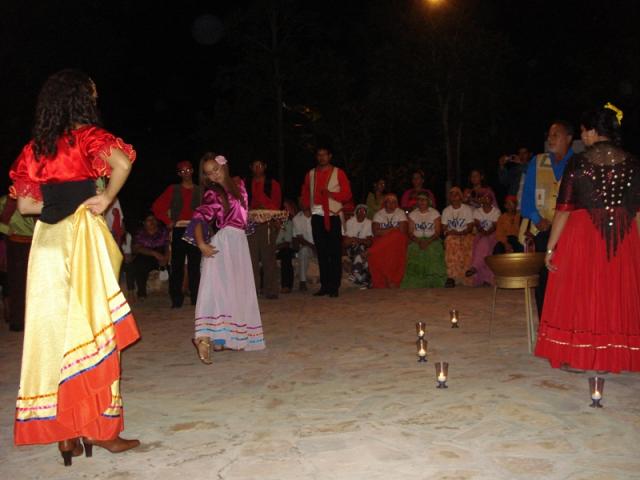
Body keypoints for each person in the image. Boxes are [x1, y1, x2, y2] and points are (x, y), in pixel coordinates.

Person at [9, 70, 140, 463]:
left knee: (54, 333)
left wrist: (55, 203)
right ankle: (100, 430)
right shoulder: (87, 137)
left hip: (47, 243)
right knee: (95, 327)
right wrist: (105, 198)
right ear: (80, 99)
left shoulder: (36, 148)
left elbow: (25, 206)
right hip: (80, 238)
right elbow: (122, 163)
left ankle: (65, 436)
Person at [535, 104, 640, 373]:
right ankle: (608, 357)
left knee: (582, 294)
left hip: (583, 234)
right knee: (612, 294)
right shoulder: (632, 163)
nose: (582, 136)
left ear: (594, 131)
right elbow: (637, 210)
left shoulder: (579, 162)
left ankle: (579, 357)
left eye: (584, 131)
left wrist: (550, 247)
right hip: (622, 234)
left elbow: (564, 209)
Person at [184, 153, 264, 364]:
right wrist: (201, 244)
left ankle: (224, 339)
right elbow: (199, 218)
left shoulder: (240, 186)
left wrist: (252, 217)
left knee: (235, 289)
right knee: (215, 289)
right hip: (224, 243)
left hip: (239, 242)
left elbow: (242, 217)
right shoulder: (213, 193)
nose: (214, 175)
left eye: (216, 170)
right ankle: (203, 336)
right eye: (209, 173)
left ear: (224, 166)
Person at [521, 120, 574, 314]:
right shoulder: (537, 162)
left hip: (569, 230)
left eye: (556, 135)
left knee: (568, 277)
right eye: (549, 135)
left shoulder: (577, 163)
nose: (550, 139)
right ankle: (545, 320)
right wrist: (537, 218)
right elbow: (526, 197)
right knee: (542, 278)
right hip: (541, 229)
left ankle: (566, 317)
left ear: (569, 138)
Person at [300, 144, 352, 297]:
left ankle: (334, 286)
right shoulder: (310, 174)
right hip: (317, 215)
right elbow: (305, 192)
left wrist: (332, 195)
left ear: (330, 156)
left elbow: (347, 194)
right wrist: (305, 205)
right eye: (319, 155)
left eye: (324, 154)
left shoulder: (339, 173)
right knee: (321, 251)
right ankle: (325, 285)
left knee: (335, 252)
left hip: (333, 215)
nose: (321, 157)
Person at [151, 160, 201, 308]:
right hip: (179, 229)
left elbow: (208, 210)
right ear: (179, 174)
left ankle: (196, 299)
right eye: (182, 171)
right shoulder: (173, 189)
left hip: (195, 229)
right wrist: (167, 221)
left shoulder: (200, 190)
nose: (186, 173)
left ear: (192, 171)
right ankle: (176, 300)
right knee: (177, 265)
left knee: (195, 266)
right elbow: (157, 207)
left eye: (188, 170)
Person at [247, 159, 282, 299]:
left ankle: (271, 290)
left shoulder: (272, 184)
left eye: (260, 165)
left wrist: (264, 207)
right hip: (251, 224)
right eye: (255, 166)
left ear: (265, 167)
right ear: (251, 167)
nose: (258, 168)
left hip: (267, 224)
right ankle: (252, 291)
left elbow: (277, 205)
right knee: (251, 259)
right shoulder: (246, 183)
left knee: (269, 258)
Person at [0, 193, 36, 331]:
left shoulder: (38, 196)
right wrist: (8, 231)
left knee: (33, 284)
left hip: (36, 243)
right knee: (17, 284)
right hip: (16, 243)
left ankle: (30, 322)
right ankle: (17, 321)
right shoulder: (8, 199)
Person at [401, 192, 447, 288]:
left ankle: (433, 281)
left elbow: (437, 232)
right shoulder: (413, 214)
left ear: (428, 201)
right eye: (419, 199)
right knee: (413, 249)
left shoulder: (435, 213)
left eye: (424, 199)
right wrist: (419, 241)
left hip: (432, 239)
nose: (421, 201)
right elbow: (410, 232)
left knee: (433, 249)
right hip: (416, 240)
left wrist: (428, 241)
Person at [369, 194, 409, 288]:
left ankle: (393, 280)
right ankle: (386, 280)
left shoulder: (400, 213)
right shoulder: (379, 214)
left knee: (397, 237)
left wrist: (385, 232)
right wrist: (393, 229)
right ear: (385, 203)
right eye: (389, 202)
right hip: (381, 241)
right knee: (393, 236)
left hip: (397, 242)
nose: (391, 204)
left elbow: (402, 231)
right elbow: (376, 232)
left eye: (394, 202)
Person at [441, 187, 475, 288]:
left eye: (456, 193)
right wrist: (451, 232)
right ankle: (452, 277)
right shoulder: (446, 211)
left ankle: (466, 277)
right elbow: (444, 228)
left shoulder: (467, 209)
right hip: (452, 235)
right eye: (451, 193)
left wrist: (461, 233)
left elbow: (470, 227)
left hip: (465, 234)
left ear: (460, 196)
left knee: (468, 242)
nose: (454, 195)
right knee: (451, 241)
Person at [466, 189, 501, 286]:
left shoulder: (496, 211)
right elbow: (477, 225)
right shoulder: (477, 211)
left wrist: (487, 234)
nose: (486, 199)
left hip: (493, 235)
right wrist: (483, 233)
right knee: (483, 245)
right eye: (483, 197)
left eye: (488, 197)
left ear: (492, 199)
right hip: (481, 234)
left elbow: (494, 227)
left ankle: (475, 267)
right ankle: (483, 278)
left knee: (485, 244)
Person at [131, 214, 169, 300]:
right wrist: (154, 253)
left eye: (154, 219)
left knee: (174, 262)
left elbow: (168, 245)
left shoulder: (163, 231)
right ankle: (141, 293)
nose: (152, 222)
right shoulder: (140, 233)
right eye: (149, 220)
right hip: (146, 255)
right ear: (144, 222)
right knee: (139, 263)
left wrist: (166, 257)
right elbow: (136, 248)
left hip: (161, 255)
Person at [343, 204, 373, 288]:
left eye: (364, 211)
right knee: (359, 252)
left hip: (363, 248)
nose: (361, 213)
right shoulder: (350, 222)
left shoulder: (369, 223)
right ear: (356, 212)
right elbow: (346, 242)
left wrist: (357, 240)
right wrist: (359, 241)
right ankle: (363, 280)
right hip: (351, 248)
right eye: (359, 211)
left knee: (360, 255)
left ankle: (356, 276)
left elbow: (369, 242)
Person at [276, 199, 297, 294]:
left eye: (287, 209)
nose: (285, 211)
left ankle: (286, 285)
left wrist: (274, 248)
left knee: (286, 253)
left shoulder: (288, 223)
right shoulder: (272, 222)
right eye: (283, 209)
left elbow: (287, 242)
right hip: (272, 248)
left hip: (281, 248)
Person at [292, 207, 315, 291]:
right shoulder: (297, 219)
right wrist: (313, 247)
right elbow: (300, 238)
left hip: (319, 245)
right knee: (304, 250)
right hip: (308, 247)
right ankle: (302, 281)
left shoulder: (318, 215)